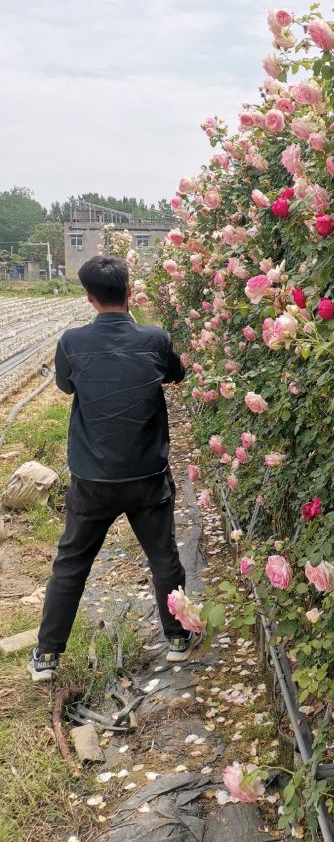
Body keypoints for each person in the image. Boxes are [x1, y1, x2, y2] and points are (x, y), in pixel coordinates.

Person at [29, 255, 197, 682]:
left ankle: (47, 656)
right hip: (146, 475)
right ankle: (177, 638)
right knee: (164, 558)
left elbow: (67, 385)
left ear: (88, 297)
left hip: (92, 478)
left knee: (71, 562)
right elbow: (175, 374)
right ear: (129, 291)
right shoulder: (154, 338)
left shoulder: (71, 342)